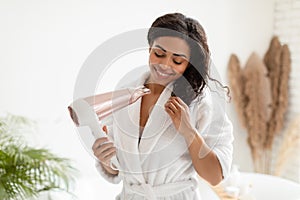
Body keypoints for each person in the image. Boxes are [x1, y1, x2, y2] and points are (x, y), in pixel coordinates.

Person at [92, 13, 234, 200]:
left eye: (177, 60)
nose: (165, 65)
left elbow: (215, 176)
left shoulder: (201, 103)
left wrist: (189, 132)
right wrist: (104, 158)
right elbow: (119, 168)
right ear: (150, 48)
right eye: (158, 53)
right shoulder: (125, 92)